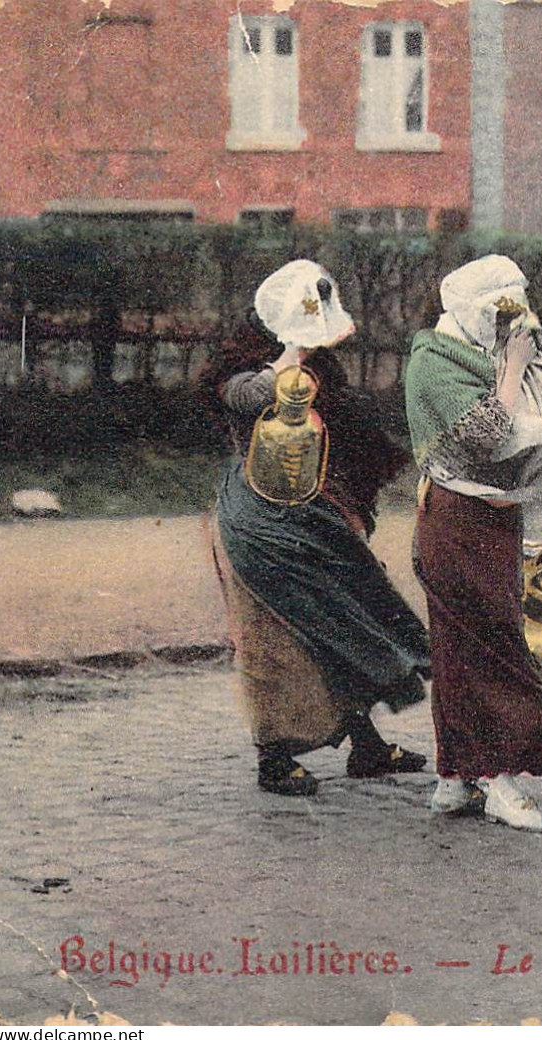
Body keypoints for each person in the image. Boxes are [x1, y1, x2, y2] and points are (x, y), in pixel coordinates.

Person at [405, 254, 542, 833]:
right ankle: (498, 779)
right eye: (503, 315)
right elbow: (487, 435)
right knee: (493, 652)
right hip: (457, 522)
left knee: (460, 652)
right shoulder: (434, 363)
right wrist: (510, 370)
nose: (513, 326)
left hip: (490, 522)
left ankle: (455, 777)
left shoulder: (477, 352)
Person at [201, 259, 431, 797]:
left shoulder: (323, 371)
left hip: (316, 515)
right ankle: (274, 758)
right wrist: (290, 358)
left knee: (340, 623)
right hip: (257, 524)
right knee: (275, 639)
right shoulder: (242, 374)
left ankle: (367, 746)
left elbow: (344, 429)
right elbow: (251, 396)